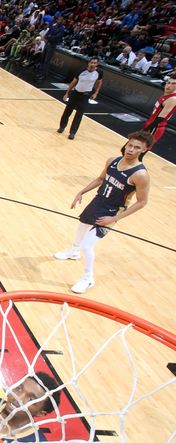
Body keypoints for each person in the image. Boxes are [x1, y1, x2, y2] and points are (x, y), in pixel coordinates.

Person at [53, 131, 152, 293]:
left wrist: (114, 218)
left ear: (145, 150)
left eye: (136, 147)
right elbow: (100, 180)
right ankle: (73, 251)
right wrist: (81, 192)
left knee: (88, 245)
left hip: (113, 210)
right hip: (98, 201)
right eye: (130, 145)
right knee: (82, 225)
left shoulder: (140, 175)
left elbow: (142, 202)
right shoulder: (113, 161)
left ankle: (88, 278)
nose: (131, 150)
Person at [57, 57, 102, 140]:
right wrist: (67, 93)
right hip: (75, 94)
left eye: (95, 63)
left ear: (97, 64)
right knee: (67, 111)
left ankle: (72, 133)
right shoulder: (81, 71)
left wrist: (96, 93)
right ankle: (62, 127)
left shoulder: (99, 72)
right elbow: (73, 82)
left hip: (85, 95)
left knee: (79, 115)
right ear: (88, 63)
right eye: (91, 62)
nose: (93, 64)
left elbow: (99, 82)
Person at [141, 77, 175, 148]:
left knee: (141, 149)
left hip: (155, 127)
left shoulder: (172, 99)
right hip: (150, 124)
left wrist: (146, 129)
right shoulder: (166, 94)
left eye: (174, 84)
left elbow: (160, 119)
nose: (169, 86)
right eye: (168, 83)